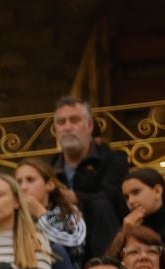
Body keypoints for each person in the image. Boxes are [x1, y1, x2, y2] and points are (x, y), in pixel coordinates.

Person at [49, 95, 131, 258]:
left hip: (103, 239)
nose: (67, 127)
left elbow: (110, 198)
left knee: (100, 205)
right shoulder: (48, 168)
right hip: (61, 240)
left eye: (74, 120)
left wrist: (74, 197)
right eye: (61, 122)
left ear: (89, 125)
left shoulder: (114, 160)